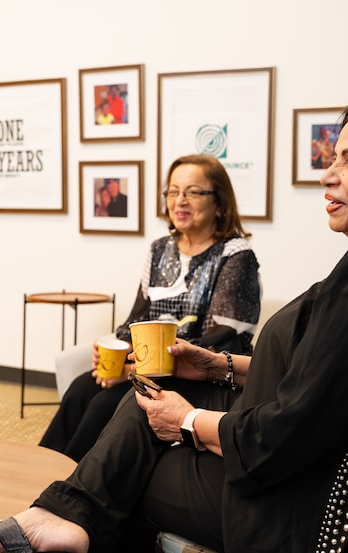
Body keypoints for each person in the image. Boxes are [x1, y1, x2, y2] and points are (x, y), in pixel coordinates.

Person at [0, 92, 348, 553]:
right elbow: (334, 377)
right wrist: (222, 364)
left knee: (130, 467)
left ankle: (64, 518)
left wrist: (189, 423)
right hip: (326, 473)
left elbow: (289, 432)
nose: (327, 175)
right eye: (333, 157)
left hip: (306, 506)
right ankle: (64, 515)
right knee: (136, 411)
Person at [39, 154, 261, 462]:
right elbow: (136, 320)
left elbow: (220, 343)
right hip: (148, 370)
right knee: (80, 389)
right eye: (173, 191)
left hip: (200, 377)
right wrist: (113, 352)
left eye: (193, 191)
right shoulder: (160, 249)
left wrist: (133, 372)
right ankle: (38, 473)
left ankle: (70, 487)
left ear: (219, 202)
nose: (179, 201)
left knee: (106, 406)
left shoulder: (237, 256)